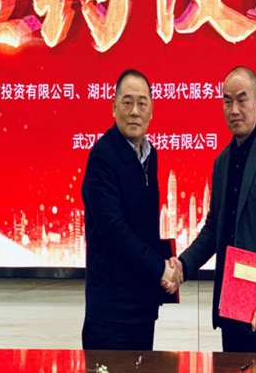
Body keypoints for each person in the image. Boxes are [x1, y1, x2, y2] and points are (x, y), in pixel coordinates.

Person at [174, 66, 256, 353]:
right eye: (227, 101)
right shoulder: (222, 162)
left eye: (242, 100)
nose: (234, 109)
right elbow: (213, 230)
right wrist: (183, 265)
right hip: (231, 307)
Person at [81, 68, 180, 351]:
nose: (135, 111)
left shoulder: (150, 155)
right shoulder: (102, 157)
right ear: (114, 108)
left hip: (142, 308)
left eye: (142, 103)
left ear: (152, 111)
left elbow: (144, 228)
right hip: (111, 313)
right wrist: (160, 268)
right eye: (127, 103)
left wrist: (167, 267)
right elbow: (114, 231)